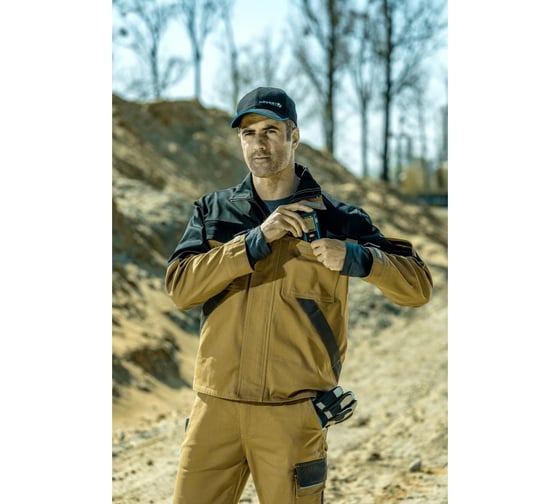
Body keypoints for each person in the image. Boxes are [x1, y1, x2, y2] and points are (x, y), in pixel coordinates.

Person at [165, 86, 433, 503]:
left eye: (271, 131)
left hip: (291, 416)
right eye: (249, 133)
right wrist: (254, 241)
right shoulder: (213, 212)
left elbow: (418, 287)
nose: (259, 144)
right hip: (214, 411)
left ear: (294, 137)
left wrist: (359, 257)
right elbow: (181, 288)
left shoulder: (339, 219)